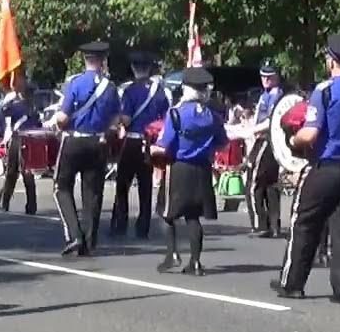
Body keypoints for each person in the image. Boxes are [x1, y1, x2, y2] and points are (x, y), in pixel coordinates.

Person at [270, 34, 340, 304]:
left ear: (332, 61)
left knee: (304, 223)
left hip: (327, 166)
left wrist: (292, 139)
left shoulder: (326, 91)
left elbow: (309, 135)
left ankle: (292, 283)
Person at [152, 67, 228, 275]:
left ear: (186, 89)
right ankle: (195, 261)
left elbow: (165, 144)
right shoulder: (213, 117)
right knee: (193, 217)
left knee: (166, 213)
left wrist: (149, 148)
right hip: (202, 169)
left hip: (179, 167)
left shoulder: (175, 113)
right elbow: (222, 144)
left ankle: (172, 254)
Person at [51, 41, 121, 256]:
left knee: (61, 187)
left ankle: (75, 234)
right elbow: (116, 121)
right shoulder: (110, 88)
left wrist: (56, 123)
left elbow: (63, 118)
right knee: (92, 194)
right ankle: (90, 242)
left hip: (74, 141)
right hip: (98, 143)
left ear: (85, 59)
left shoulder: (75, 83)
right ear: (102, 61)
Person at [111, 50, 171, 238]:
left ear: (133, 68)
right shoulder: (160, 91)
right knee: (145, 186)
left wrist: (116, 119)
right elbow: (166, 118)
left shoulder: (129, 91)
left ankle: (120, 223)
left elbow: (127, 120)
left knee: (123, 184)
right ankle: (143, 226)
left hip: (133, 141)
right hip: (150, 143)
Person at [245, 60, 285, 238]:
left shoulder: (276, 96)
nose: (266, 80)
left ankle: (260, 224)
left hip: (267, 140)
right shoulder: (265, 95)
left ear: (276, 77)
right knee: (270, 184)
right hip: (264, 140)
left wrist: (251, 130)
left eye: (270, 77)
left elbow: (271, 121)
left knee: (254, 183)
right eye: (263, 77)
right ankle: (273, 225)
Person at [0, 74, 41, 213]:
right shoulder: (33, 109)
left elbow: (1, 114)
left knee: (12, 173)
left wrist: (10, 99)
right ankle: (31, 206)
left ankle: (4, 202)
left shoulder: (17, 106)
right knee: (27, 173)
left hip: (18, 140)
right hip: (30, 141)